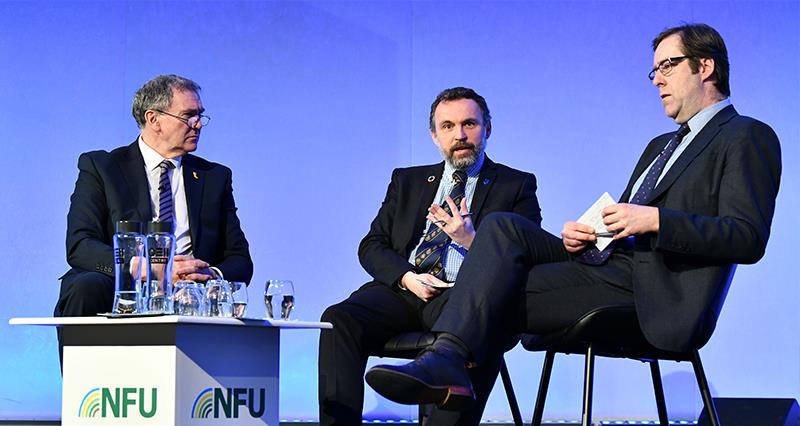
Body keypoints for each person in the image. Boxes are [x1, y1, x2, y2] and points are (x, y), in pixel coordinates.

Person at [366, 23, 782, 409]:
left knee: (480, 294)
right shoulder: (661, 144)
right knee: (501, 226)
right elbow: (623, 223)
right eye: (653, 70)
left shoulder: (746, 135)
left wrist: (655, 220)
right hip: (605, 265)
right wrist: (589, 237)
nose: (656, 79)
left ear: (705, 66)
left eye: (667, 66)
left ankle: (449, 362)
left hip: (649, 292)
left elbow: (746, 237)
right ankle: (450, 361)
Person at [318, 87, 544, 425]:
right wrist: (408, 278)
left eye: (470, 124)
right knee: (339, 320)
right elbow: (373, 244)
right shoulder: (407, 181)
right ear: (435, 136)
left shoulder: (515, 185)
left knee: (485, 329)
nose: (461, 135)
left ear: (487, 129)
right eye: (449, 126)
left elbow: (528, 254)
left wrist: (470, 240)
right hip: (407, 290)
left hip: (464, 299)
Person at [54, 74, 253, 356]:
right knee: (86, 285)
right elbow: (80, 246)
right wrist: (152, 270)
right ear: (154, 119)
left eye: (200, 116)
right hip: (122, 287)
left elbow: (240, 260)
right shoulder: (101, 167)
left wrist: (204, 274)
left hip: (188, 294)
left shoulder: (214, 177)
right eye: (188, 116)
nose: (197, 124)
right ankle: (84, 390)